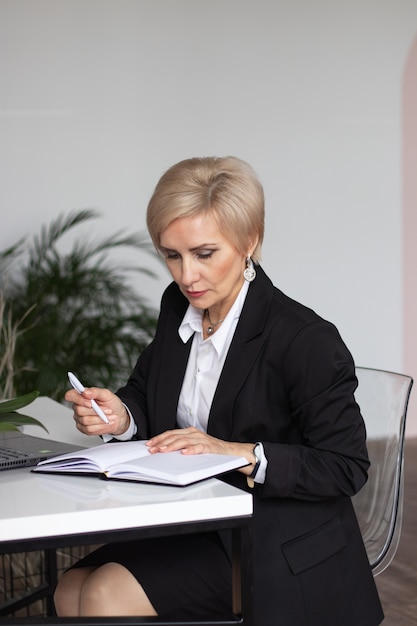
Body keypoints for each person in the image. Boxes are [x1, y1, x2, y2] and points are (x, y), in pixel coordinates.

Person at [54, 156, 384, 626]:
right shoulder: (179, 308)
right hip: (196, 519)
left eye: (204, 254)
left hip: (276, 538)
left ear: (249, 241)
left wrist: (236, 453)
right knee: (71, 589)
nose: (187, 276)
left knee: (106, 594)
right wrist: (122, 416)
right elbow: (149, 393)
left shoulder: (304, 338)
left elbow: (346, 466)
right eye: (172, 255)